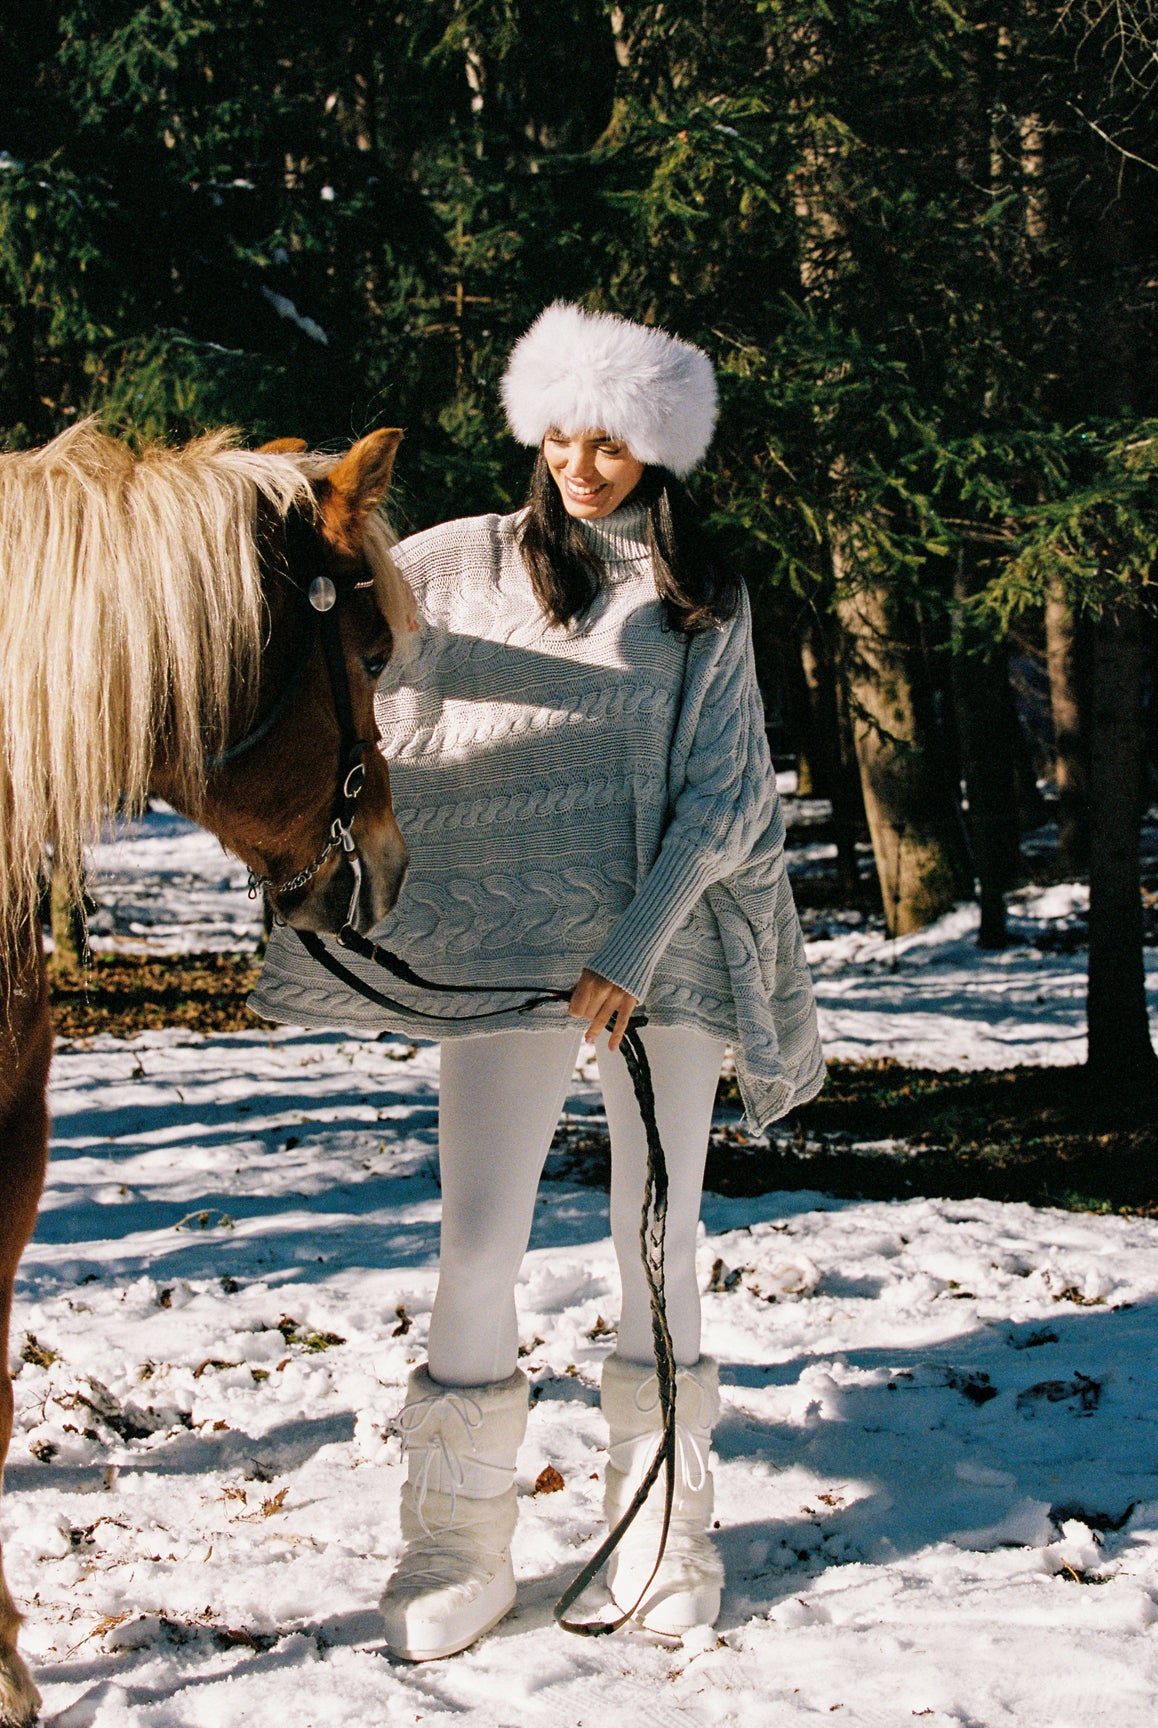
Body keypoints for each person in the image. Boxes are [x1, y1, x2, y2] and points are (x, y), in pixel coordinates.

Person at [251, 302, 825, 1660]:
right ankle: (456, 1542)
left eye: (610, 442)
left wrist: (629, 949)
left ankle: (663, 1527)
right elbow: (333, 620)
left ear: (658, 447)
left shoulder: (704, 595)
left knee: (656, 1229)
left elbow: (726, 796)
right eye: (560, 438)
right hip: (493, 946)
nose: (581, 466)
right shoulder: (459, 563)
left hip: (662, 952)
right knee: (477, 1239)